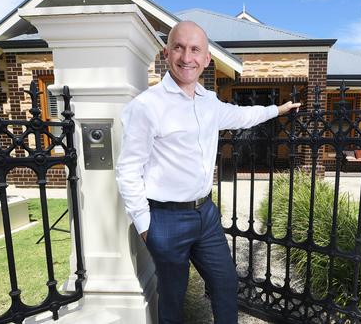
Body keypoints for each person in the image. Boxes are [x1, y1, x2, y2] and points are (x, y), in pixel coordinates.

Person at [116, 21, 300, 324]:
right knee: (173, 300)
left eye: (195, 50)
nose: (186, 57)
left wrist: (277, 110)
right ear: (166, 53)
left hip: (206, 215)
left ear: (206, 60)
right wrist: (146, 226)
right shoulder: (147, 106)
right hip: (165, 220)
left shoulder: (209, 102)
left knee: (225, 284)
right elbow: (128, 170)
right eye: (179, 47)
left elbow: (243, 116)